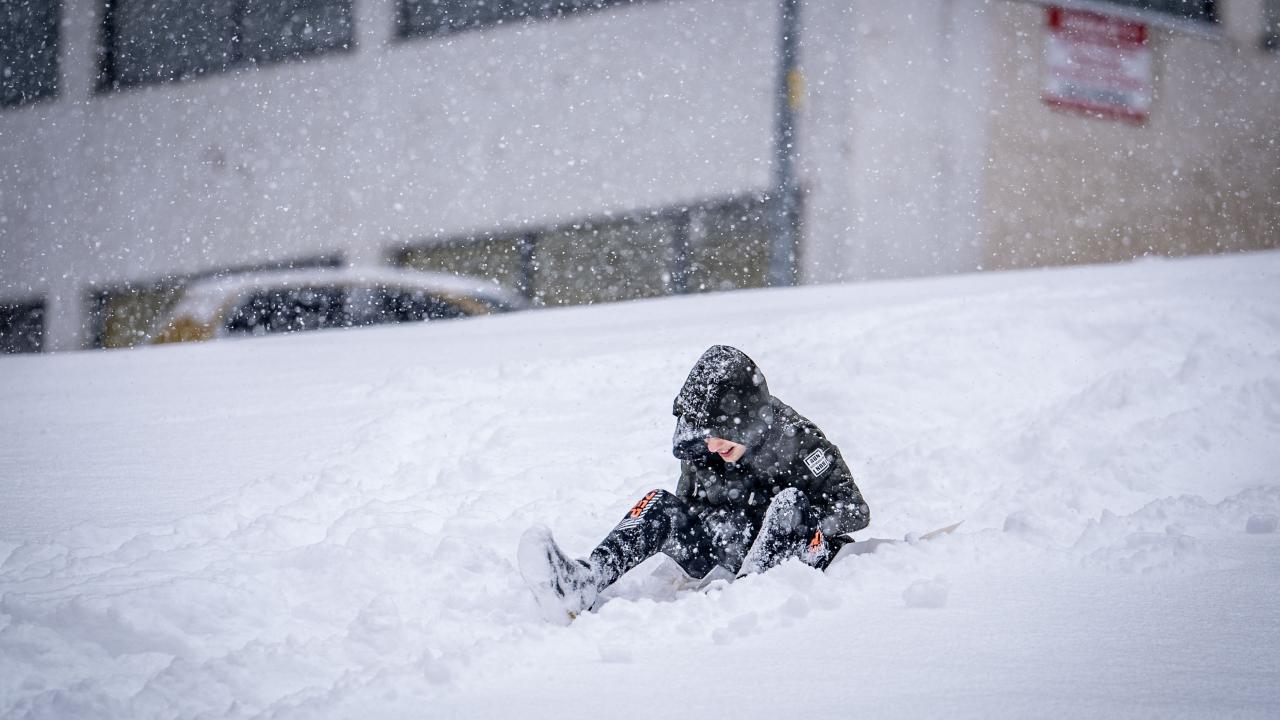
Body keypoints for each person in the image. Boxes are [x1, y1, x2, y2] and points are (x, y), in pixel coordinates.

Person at [518, 345, 871, 623]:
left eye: (719, 436)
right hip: (730, 548)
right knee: (660, 503)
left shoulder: (799, 440)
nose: (712, 447)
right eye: (705, 438)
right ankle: (584, 582)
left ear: (745, 422)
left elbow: (854, 509)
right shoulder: (703, 447)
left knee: (789, 503)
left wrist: (793, 525)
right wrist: (724, 528)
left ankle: (751, 596)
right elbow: (692, 504)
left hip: (796, 559)